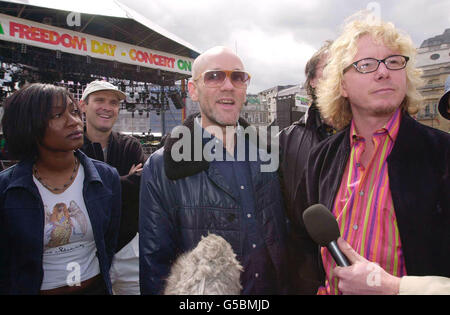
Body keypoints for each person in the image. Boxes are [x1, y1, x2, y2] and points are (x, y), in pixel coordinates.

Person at [295, 14, 450, 295]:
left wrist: (392, 287)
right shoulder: (321, 157)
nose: (383, 72)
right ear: (342, 85)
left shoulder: (442, 156)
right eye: (366, 65)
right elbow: (306, 249)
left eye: (393, 62)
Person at [139, 46, 290, 295]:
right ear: (193, 90)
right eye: (214, 76)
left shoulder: (271, 151)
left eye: (237, 77)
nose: (228, 85)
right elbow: (155, 264)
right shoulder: (161, 166)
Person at [0, 83, 121, 294]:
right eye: (57, 116)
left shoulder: (106, 178)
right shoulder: (6, 188)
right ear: (29, 125)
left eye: (74, 111)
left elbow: (109, 242)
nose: (73, 121)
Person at [278, 41, 335, 293]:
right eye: (330, 66)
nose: (339, 72)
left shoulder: (372, 134)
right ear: (312, 80)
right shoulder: (287, 139)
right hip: (306, 278)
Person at [79, 80, 146, 295]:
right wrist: (127, 178)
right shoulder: (69, 145)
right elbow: (76, 190)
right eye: (99, 100)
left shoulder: (131, 145)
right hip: (85, 251)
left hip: (127, 248)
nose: (107, 107)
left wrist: (95, 184)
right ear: (83, 105)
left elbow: (139, 186)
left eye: (114, 102)